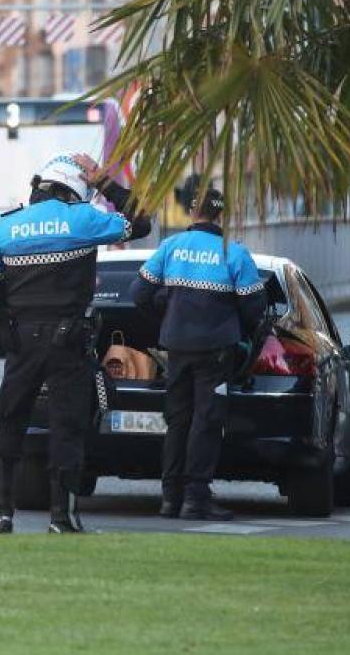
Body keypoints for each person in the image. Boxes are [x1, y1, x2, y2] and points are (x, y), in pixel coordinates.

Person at [0, 153, 151, 534]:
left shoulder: (6, 228)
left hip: (21, 342)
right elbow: (141, 222)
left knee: (11, 422)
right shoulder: (84, 220)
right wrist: (105, 181)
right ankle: (62, 517)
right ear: (76, 190)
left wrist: (19, 299)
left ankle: (0, 514)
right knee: (67, 427)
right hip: (69, 341)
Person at [130, 188, 266, 520]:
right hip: (216, 352)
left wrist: (167, 314)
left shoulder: (170, 247)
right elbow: (255, 309)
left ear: (192, 213)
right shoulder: (234, 254)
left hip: (177, 348)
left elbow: (138, 294)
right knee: (205, 422)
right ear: (222, 215)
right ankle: (196, 499)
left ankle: (169, 499)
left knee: (177, 421)